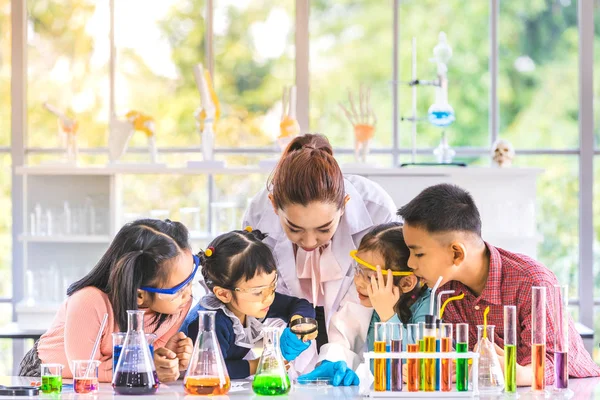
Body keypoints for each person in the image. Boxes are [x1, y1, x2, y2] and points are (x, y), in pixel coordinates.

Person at [398, 183, 600, 386]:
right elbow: (462, 362)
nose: (410, 263)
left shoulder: (532, 282)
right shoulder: (445, 291)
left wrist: (512, 371)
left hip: (575, 389)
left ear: (456, 253)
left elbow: (554, 362)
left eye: (419, 253)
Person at [243, 133, 398, 385]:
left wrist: (336, 354)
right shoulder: (259, 216)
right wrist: (278, 337)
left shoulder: (377, 210)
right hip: (288, 342)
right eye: (294, 229)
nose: (309, 242)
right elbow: (257, 291)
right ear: (273, 205)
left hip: (359, 335)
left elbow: (373, 298)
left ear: (345, 204)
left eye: (324, 229)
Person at [19, 219, 195, 383]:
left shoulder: (177, 306)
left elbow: (145, 358)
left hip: (112, 381)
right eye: (178, 289)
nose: (188, 294)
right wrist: (146, 366)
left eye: (190, 280)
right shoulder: (88, 301)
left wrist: (167, 357)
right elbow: (85, 369)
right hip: (49, 378)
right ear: (139, 295)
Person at [299, 222, 431, 383]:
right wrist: (332, 362)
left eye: (369, 277)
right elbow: (345, 332)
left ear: (406, 283)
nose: (358, 282)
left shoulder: (428, 305)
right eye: (358, 270)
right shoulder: (367, 297)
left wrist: (388, 316)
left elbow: (417, 365)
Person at [179, 229, 316, 379]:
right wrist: (259, 364)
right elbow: (211, 369)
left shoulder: (252, 302)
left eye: (272, 285)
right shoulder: (211, 322)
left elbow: (297, 305)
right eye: (258, 291)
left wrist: (299, 322)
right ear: (224, 294)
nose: (269, 297)